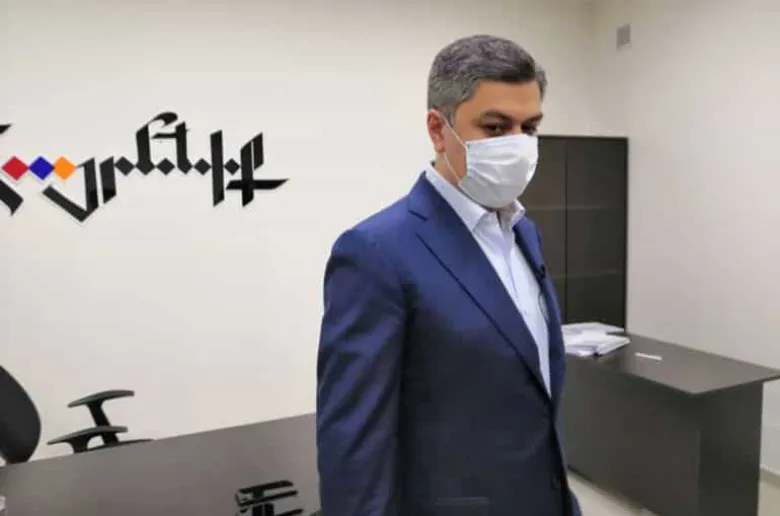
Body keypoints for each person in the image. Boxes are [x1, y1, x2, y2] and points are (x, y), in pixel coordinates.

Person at [316, 34, 582, 516]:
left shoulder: (525, 233)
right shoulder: (376, 252)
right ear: (439, 130)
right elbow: (354, 445)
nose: (518, 145)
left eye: (530, 128)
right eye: (496, 128)